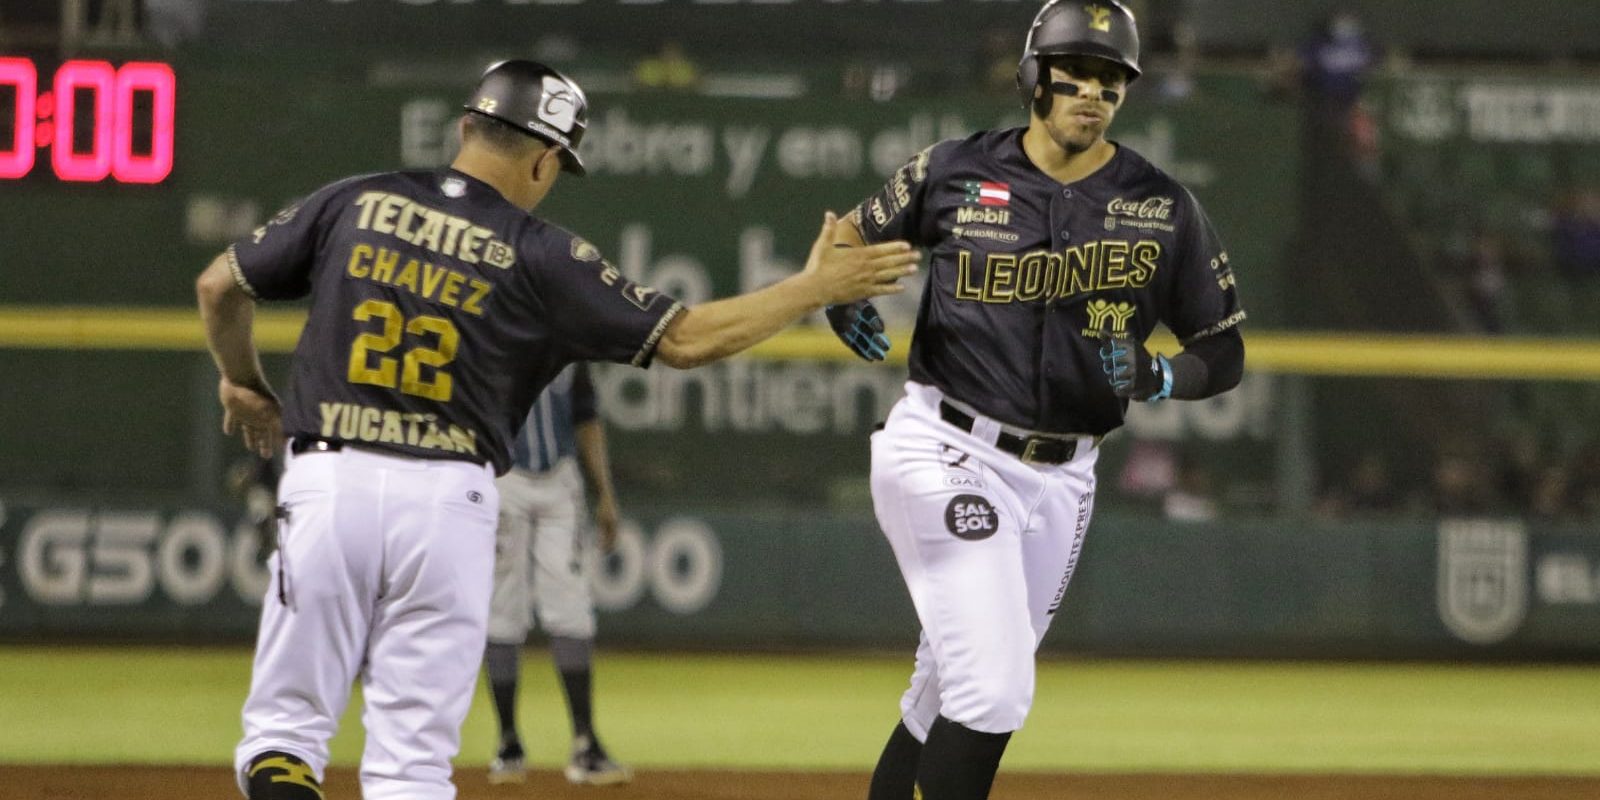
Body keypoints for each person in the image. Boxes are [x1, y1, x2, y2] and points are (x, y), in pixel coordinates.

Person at [196, 59, 919, 800]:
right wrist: (811, 287)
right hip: (449, 503)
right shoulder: (545, 255)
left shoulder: (358, 199)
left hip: (330, 480)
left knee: (285, 737)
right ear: (545, 159)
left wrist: (244, 384)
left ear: (465, 127)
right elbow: (687, 339)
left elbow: (220, 285)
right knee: (410, 765)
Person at [823, 3, 1246, 798]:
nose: (1093, 92)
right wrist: (843, 298)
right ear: (1033, 77)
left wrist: (1165, 377)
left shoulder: (1162, 206)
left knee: (946, 689)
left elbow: (1223, 350)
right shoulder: (953, 169)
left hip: (1064, 479)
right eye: (1076, 73)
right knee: (998, 686)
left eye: (1111, 79)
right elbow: (849, 236)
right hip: (946, 446)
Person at [484, 362, 631, 786]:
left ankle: (585, 743)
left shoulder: (570, 343)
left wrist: (605, 493)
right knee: (501, 609)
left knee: (571, 608)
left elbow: (587, 418)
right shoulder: (491, 330)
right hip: (501, 477)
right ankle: (508, 742)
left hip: (559, 482)